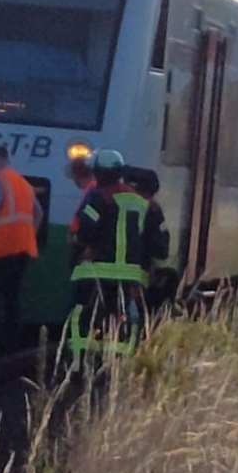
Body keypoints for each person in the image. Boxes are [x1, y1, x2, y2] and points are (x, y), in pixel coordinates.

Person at [67, 149, 150, 366]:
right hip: (130, 272)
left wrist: (80, 246)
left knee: (82, 313)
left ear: (98, 173)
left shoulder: (97, 197)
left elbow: (86, 229)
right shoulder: (137, 200)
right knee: (120, 313)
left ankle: (79, 360)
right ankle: (122, 357)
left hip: (98, 268)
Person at [0, 144, 42, 356]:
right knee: (12, 296)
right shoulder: (22, 182)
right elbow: (38, 213)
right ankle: (12, 342)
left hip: (1, 248)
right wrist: (29, 233)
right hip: (23, 247)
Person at [125, 166, 174, 314]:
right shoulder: (153, 211)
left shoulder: (107, 202)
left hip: (101, 274)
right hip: (136, 278)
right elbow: (161, 250)